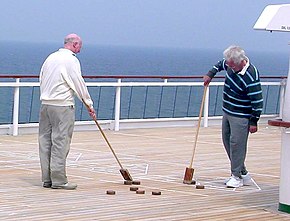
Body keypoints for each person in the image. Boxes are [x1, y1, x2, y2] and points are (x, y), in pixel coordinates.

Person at [39, 33, 96, 190]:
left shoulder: (50, 58)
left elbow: (41, 78)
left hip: (45, 104)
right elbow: (78, 83)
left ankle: (47, 179)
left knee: (45, 141)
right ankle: (59, 180)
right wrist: (89, 105)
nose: (81, 49)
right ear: (75, 44)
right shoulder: (71, 60)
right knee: (60, 141)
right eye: (80, 46)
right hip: (62, 106)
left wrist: (45, 98)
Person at [203, 45, 263, 188]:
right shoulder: (230, 63)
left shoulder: (250, 76)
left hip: (241, 116)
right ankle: (243, 172)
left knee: (237, 144)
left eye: (231, 65)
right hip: (228, 111)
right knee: (227, 140)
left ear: (240, 62)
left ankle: (236, 176)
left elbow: (258, 101)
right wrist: (210, 74)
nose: (228, 67)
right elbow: (220, 65)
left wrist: (254, 121)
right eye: (228, 64)